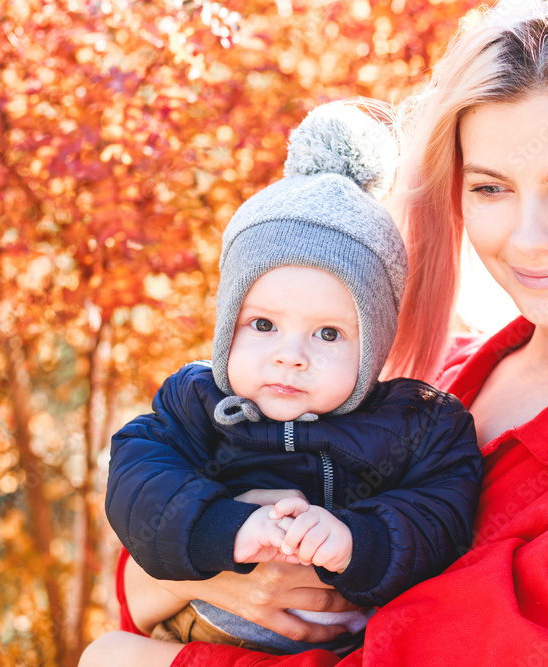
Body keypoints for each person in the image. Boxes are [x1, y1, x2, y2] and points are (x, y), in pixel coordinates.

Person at [88, 0, 548, 665]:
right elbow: (148, 564)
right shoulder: (430, 371)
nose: (528, 236)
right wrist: (184, 572)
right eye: (490, 188)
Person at [79, 103, 481, 663]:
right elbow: (138, 483)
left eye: (329, 334)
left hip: (338, 648)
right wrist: (227, 527)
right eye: (263, 325)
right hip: (196, 633)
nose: (291, 357)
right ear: (226, 328)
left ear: (376, 344)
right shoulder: (198, 404)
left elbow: (441, 515)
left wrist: (355, 539)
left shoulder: (416, 424)